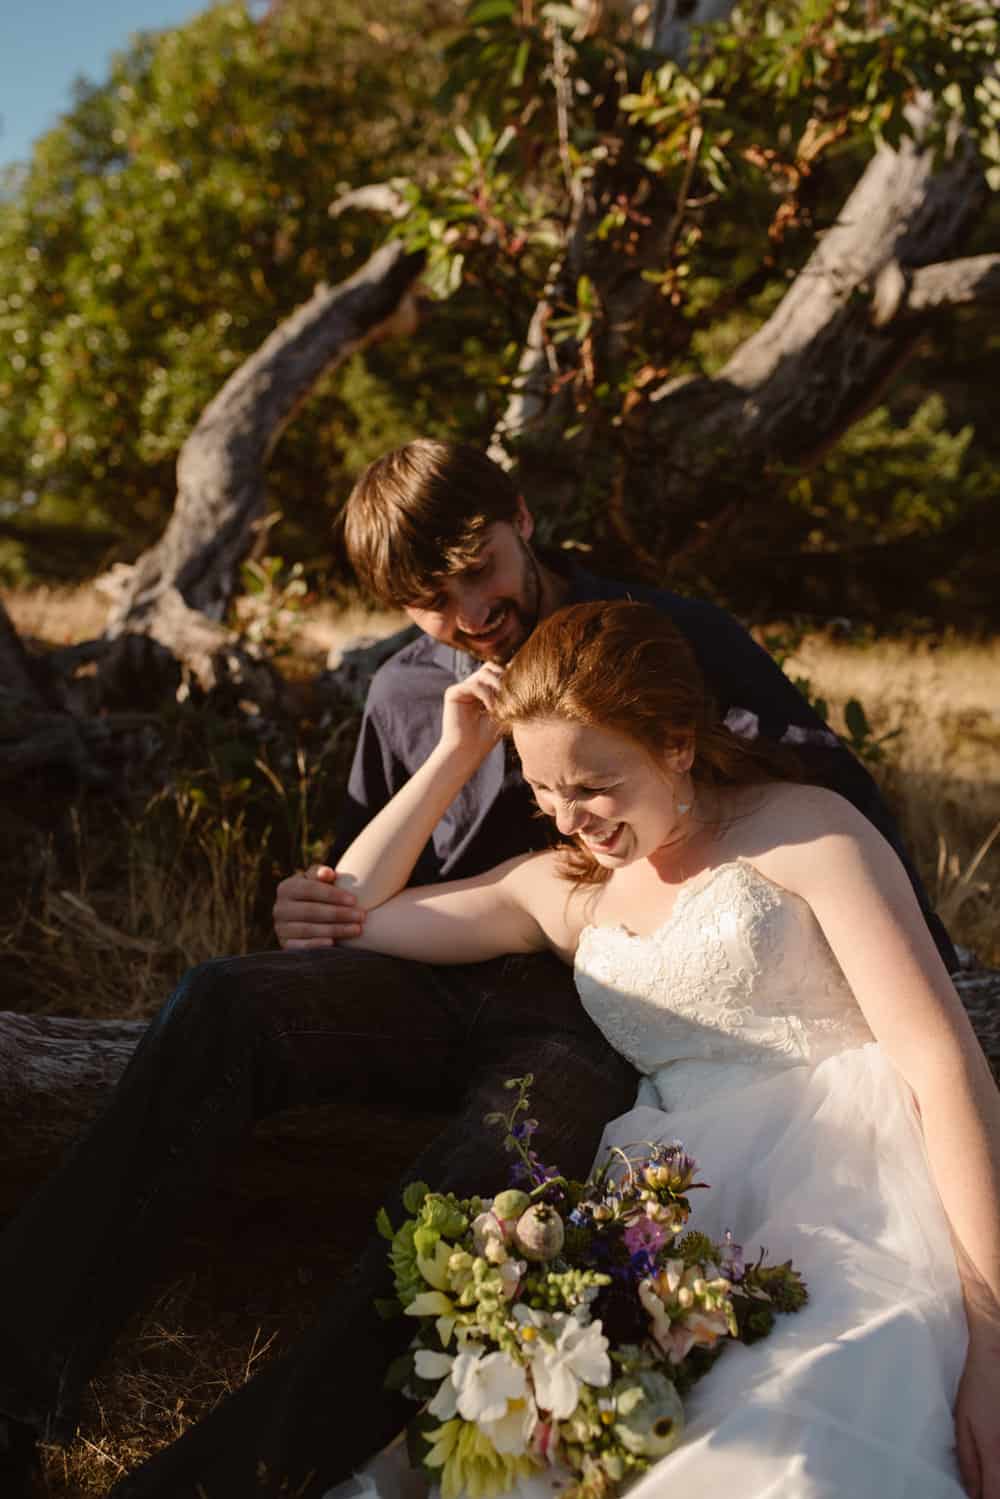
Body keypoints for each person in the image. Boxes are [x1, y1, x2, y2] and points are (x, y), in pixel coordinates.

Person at [0, 442, 957, 1498]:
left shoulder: (665, 638)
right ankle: (18, 1382)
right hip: (433, 968)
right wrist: (444, 764)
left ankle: (239, 1475)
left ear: (521, 519)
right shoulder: (407, 683)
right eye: (426, 599)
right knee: (222, 999)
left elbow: (826, 804)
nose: (466, 610)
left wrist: (925, 966)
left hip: (598, 1009)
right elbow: (353, 895)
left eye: (477, 569)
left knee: (474, 1187)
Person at [328, 599, 1000, 1499]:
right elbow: (356, 911)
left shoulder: (809, 832)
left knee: (794, 1437)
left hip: (856, 1190)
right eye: (543, 791)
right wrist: (458, 751)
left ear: (677, 743)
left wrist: (992, 1334)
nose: (571, 819)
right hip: (668, 1217)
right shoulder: (566, 893)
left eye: (594, 784)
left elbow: (944, 1069)